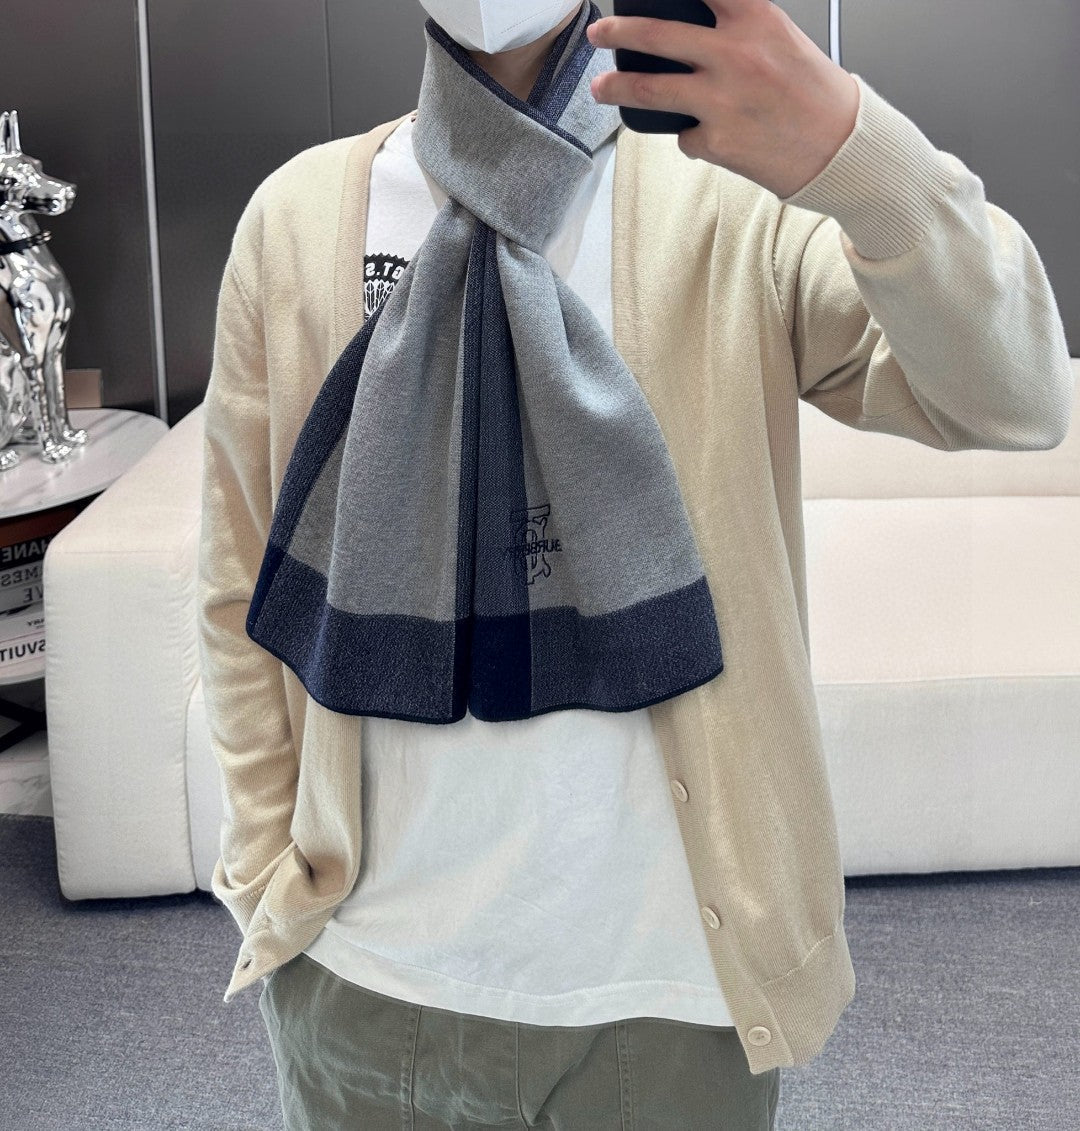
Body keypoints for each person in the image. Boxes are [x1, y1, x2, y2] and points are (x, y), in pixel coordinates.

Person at [196, 1, 1073, 1128]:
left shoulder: (735, 202)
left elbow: (1014, 396)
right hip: (363, 989)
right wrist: (267, 871)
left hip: (665, 1002)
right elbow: (238, 584)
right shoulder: (299, 215)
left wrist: (853, 151)